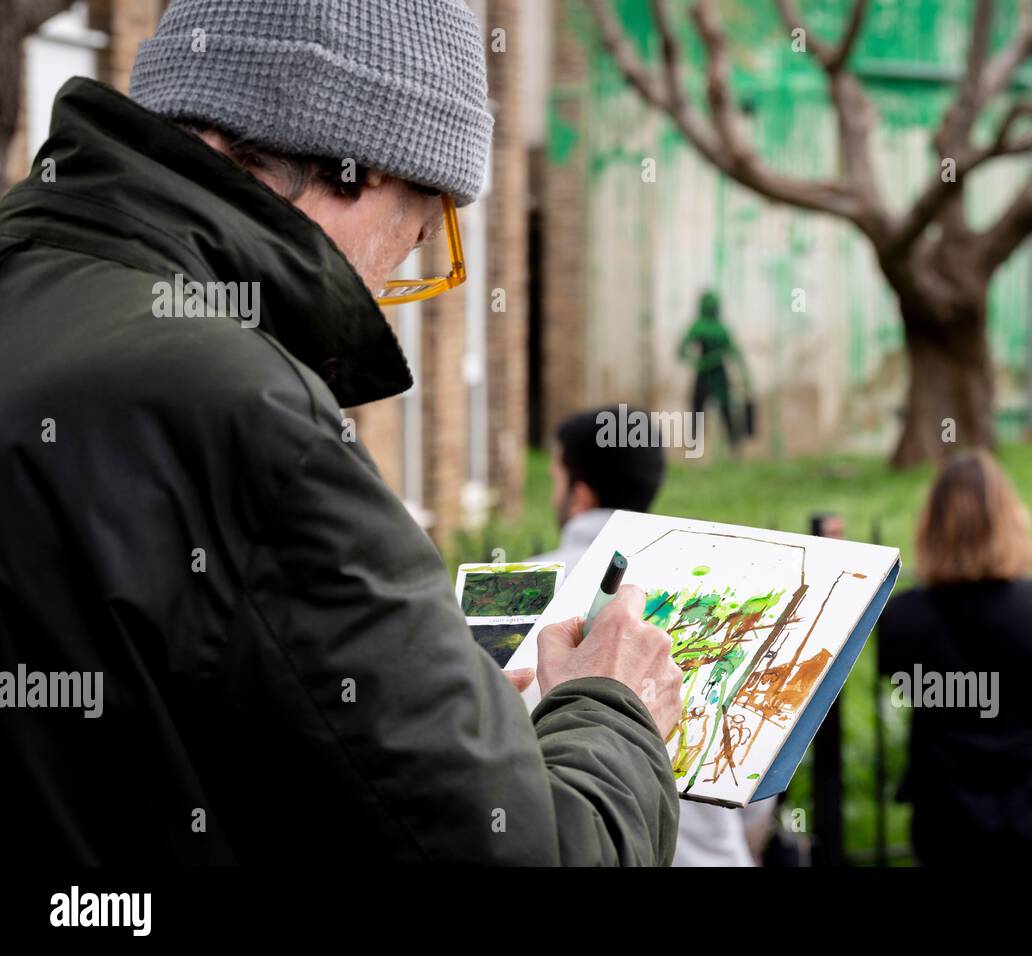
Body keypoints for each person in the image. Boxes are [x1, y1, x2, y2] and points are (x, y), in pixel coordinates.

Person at [0, 0, 683, 865]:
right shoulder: (254, 416)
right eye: (418, 234)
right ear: (353, 171)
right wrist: (610, 712)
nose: (391, 283)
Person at [531, 407, 776, 866]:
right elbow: (754, 779)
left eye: (554, 480)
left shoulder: (516, 593)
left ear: (579, 493)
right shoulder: (712, 600)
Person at [877, 450, 1032, 866]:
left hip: (947, 813)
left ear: (932, 526)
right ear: (1011, 520)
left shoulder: (903, 618)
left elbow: (895, 671)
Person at [678, 290, 749, 451]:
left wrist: (745, 377)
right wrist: (698, 363)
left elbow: (734, 352)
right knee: (698, 411)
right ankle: (694, 447)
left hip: (718, 376)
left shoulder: (720, 328)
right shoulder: (700, 327)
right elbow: (682, 351)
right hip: (705, 375)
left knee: (725, 412)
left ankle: (733, 446)